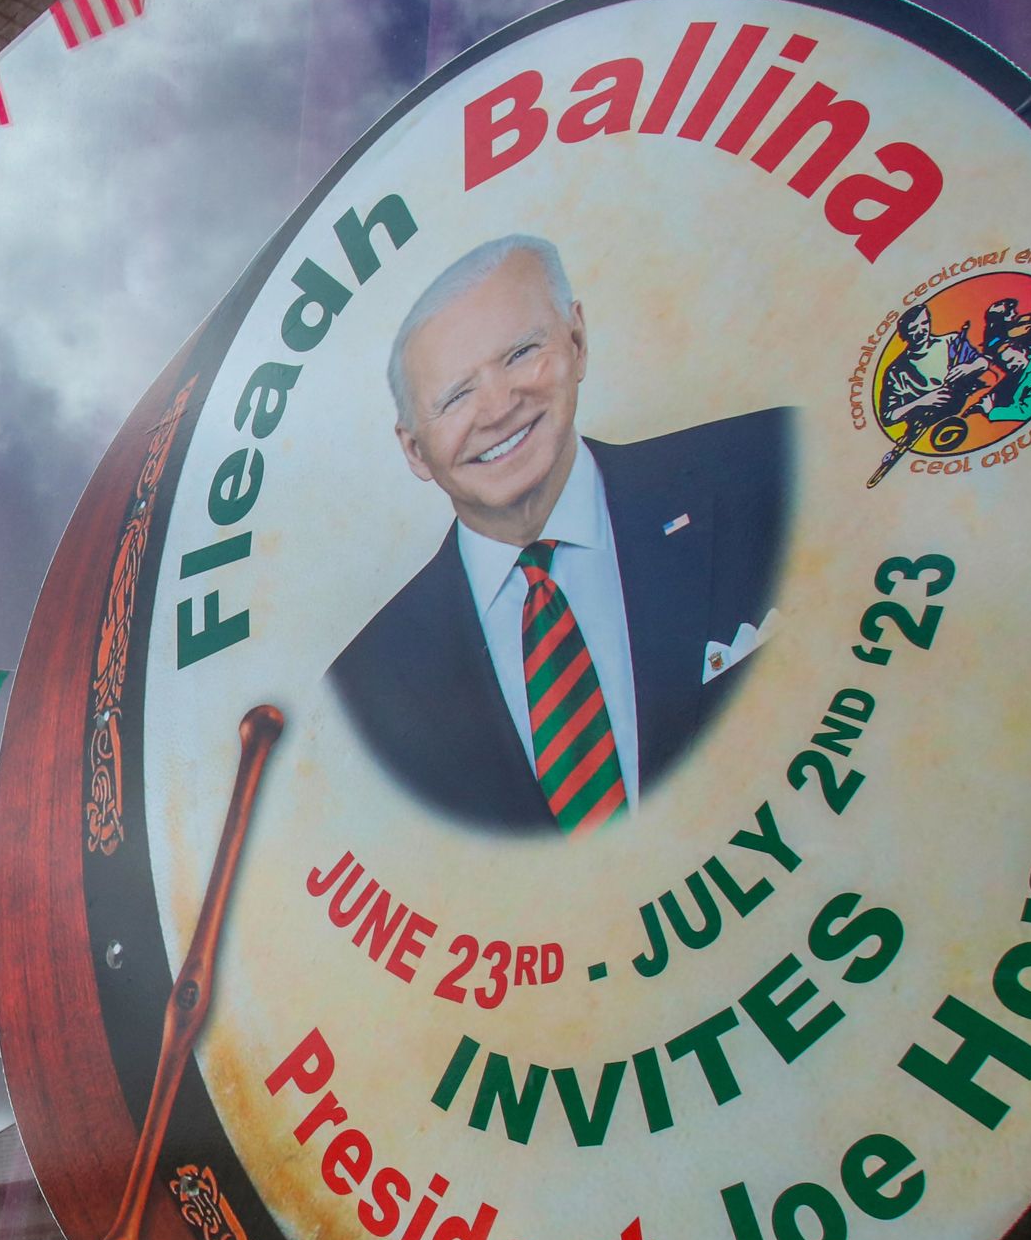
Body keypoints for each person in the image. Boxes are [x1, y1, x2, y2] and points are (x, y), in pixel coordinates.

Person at [328, 235, 792, 834]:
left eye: (521, 353)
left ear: (577, 342)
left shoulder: (767, 471)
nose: (498, 408)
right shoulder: (363, 689)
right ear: (415, 450)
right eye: (457, 396)